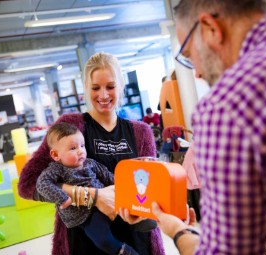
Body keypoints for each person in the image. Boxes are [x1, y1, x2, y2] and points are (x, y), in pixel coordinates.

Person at [151, 0, 266, 254]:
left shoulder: (226, 104)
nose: (196, 73)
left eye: (189, 56)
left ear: (210, 27)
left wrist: (178, 231)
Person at [18, 52, 165, 255]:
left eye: (110, 87)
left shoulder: (141, 132)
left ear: (121, 85)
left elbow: (150, 188)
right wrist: (93, 197)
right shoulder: (70, 127)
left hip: (136, 242)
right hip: (85, 243)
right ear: (86, 88)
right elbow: (28, 185)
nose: (103, 95)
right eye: (95, 88)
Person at [36, 122, 156, 255]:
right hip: (85, 215)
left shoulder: (90, 163)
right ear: (55, 155)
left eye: (82, 146)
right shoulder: (57, 169)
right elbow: (42, 184)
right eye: (73, 148)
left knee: (125, 205)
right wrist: (62, 198)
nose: (80, 151)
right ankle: (126, 252)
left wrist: (123, 184)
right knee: (103, 239)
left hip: (109, 200)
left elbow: (107, 175)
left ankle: (140, 217)